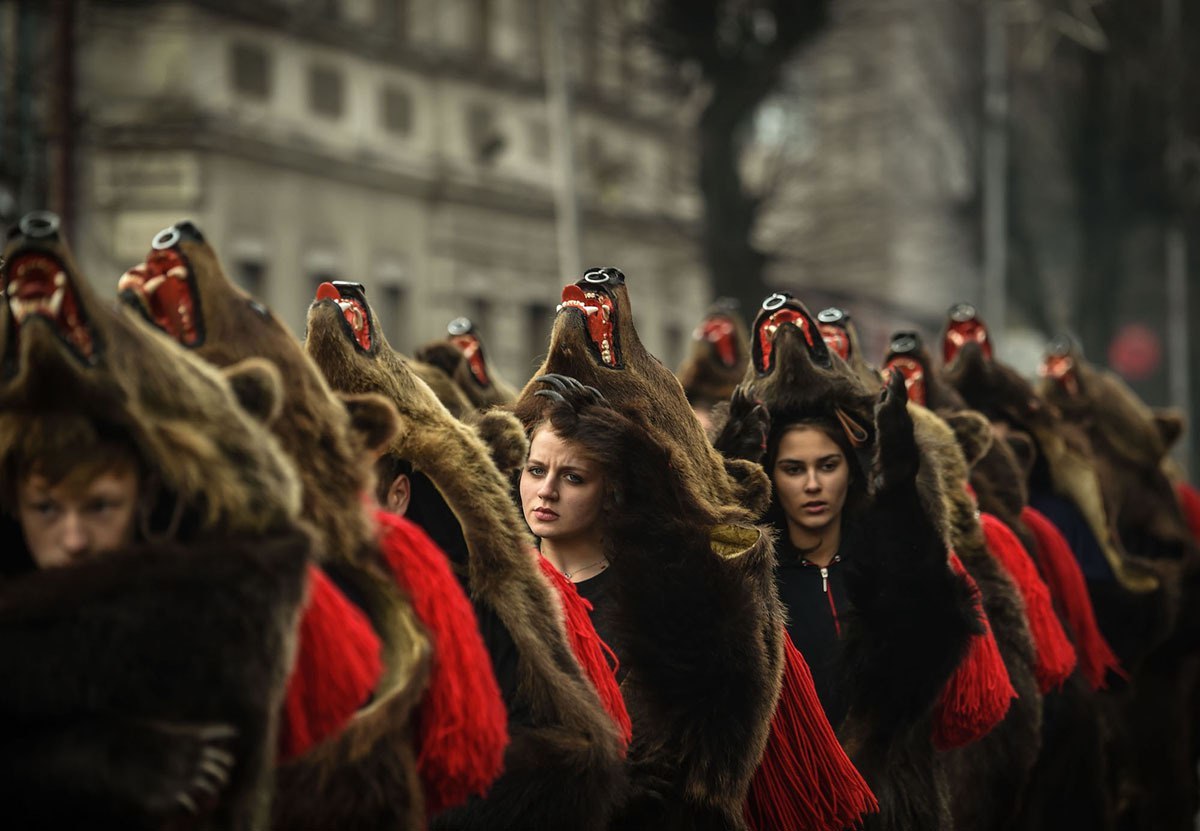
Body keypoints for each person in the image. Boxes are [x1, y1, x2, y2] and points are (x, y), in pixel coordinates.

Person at [763, 415, 864, 727]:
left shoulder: (883, 567)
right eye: (793, 469)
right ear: (770, 478)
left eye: (828, 466)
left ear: (850, 472)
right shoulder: (756, 581)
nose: (812, 485)